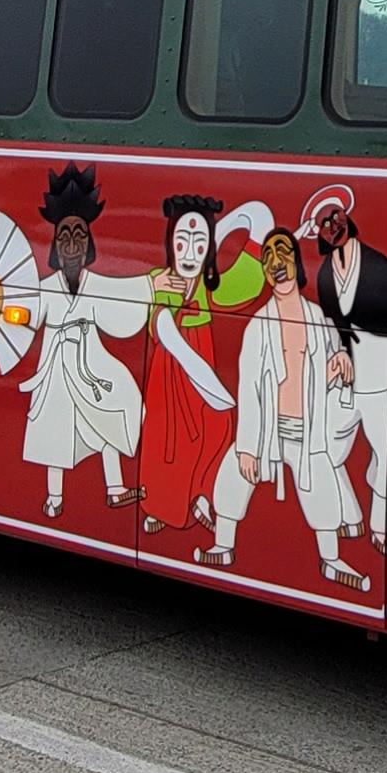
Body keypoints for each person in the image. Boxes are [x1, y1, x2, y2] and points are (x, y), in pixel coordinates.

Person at [203, 231, 368, 589]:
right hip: (268, 431)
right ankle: (223, 545)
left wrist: (340, 358)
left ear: (296, 262)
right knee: (234, 475)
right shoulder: (259, 327)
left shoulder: (316, 319)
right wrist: (248, 448)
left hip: (306, 432)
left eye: (283, 255)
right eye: (269, 259)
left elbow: (324, 369)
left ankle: (331, 560)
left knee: (322, 489)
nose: (277, 265)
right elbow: (249, 388)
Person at [18, 164, 153, 520]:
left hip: (91, 368)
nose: (72, 244)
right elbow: (26, 312)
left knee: (111, 418)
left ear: (89, 243)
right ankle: (54, 497)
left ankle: (115, 489)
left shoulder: (95, 283)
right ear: (54, 245)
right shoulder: (47, 287)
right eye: (64, 236)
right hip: (57, 375)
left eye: (79, 235)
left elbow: (124, 292)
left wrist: (153, 285)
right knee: (55, 436)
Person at [139, 192, 272, 538]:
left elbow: (250, 273)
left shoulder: (210, 287)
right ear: (170, 243)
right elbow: (159, 320)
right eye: (182, 242)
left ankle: (200, 494)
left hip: (201, 353)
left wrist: (230, 228)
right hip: (170, 366)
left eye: (200, 245)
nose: (189, 253)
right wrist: (188, 359)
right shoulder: (159, 279)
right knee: (165, 435)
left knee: (216, 426)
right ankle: (160, 507)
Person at [304, 191, 387, 554]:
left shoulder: (377, 264)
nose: (331, 226)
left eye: (335, 218)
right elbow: (330, 324)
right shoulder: (325, 273)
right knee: (324, 440)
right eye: (324, 223)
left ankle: (380, 529)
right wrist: (338, 353)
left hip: (386, 371)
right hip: (348, 374)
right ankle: (348, 512)